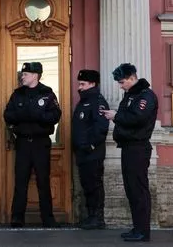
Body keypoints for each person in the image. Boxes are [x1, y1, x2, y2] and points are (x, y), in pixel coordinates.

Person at [100, 63, 157, 242]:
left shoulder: (145, 96)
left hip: (138, 148)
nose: (120, 85)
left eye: (122, 81)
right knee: (131, 190)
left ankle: (143, 231)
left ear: (133, 78)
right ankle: (137, 228)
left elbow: (137, 118)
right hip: (129, 147)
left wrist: (115, 116)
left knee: (139, 190)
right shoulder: (131, 95)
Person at [4, 61, 62, 228]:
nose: (23, 76)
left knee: (43, 181)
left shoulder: (47, 93)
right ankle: (17, 218)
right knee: (20, 181)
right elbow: (8, 115)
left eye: (26, 74)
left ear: (36, 76)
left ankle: (48, 219)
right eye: (23, 74)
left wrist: (35, 116)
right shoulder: (18, 94)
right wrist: (27, 114)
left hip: (40, 143)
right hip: (22, 143)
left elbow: (55, 116)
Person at [71, 69, 109, 230]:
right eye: (79, 83)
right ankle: (90, 216)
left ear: (92, 84)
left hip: (92, 153)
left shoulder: (97, 102)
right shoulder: (84, 101)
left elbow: (101, 127)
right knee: (87, 185)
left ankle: (97, 218)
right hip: (82, 153)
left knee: (94, 185)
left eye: (83, 84)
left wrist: (90, 145)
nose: (79, 87)